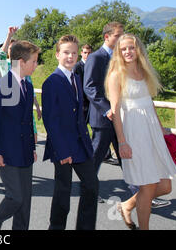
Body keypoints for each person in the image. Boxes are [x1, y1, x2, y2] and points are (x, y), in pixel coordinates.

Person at [105, 34, 176, 230]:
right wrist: (122, 142)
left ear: (138, 50)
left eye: (131, 48)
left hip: (151, 131)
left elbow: (149, 103)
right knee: (147, 186)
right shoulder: (116, 75)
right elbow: (116, 111)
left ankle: (127, 205)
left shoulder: (144, 71)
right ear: (118, 53)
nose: (128, 52)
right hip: (134, 133)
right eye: (124, 49)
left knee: (164, 185)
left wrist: (162, 130)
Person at [42, 35, 98, 230]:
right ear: (58, 54)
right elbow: (51, 120)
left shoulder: (77, 77)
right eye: (66, 52)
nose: (71, 56)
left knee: (91, 185)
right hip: (63, 146)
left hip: (81, 144)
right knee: (63, 191)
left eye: (74, 53)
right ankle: (56, 227)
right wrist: (62, 150)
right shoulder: (52, 81)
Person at [0, 40, 39, 230]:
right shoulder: (1, 85)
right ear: (21, 62)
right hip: (5, 152)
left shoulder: (28, 86)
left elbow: (27, 121)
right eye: (34, 61)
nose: (36, 65)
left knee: (25, 200)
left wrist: (32, 148)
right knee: (15, 197)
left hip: (25, 151)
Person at [83, 22, 124, 202]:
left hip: (120, 117)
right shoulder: (95, 57)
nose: (121, 38)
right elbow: (90, 87)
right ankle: (89, 190)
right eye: (118, 35)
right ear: (107, 37)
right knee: (96, 156)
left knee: (125, 154)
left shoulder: (120, 57)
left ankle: (141, 192)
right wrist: (106, 109)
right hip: (103, 117)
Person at [0, 26, 42, 142]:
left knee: (33, 139)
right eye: (10, 48)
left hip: (25, 107)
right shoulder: (4, 64)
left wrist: (36, 106)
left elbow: (30, 88)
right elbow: (2, 52)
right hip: (10, 106)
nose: (12, 51)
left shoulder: (24, 66)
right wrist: (9, 36)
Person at [73, 44, 92, 125]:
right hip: (82, 102)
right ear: (81, 53)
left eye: (89, 53)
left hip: (91, 102)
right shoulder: (77, 67)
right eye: (85, 52)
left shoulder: (92, 65)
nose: (87, 55)